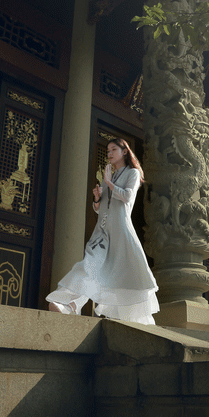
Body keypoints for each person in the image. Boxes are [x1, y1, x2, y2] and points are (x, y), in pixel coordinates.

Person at [46, 138, 159, 324]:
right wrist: (97, 199)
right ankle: (68, 305)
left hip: (121, 232)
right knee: (88, 266)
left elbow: (127, 196)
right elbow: (101, 210)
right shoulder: (110, 177)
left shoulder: (133, 173)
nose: (109, 153)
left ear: (124, 151)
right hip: (102, 232)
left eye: (113, 149)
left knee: (124, 278)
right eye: (108, 151)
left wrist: (109, 183)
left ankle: (138, 320)